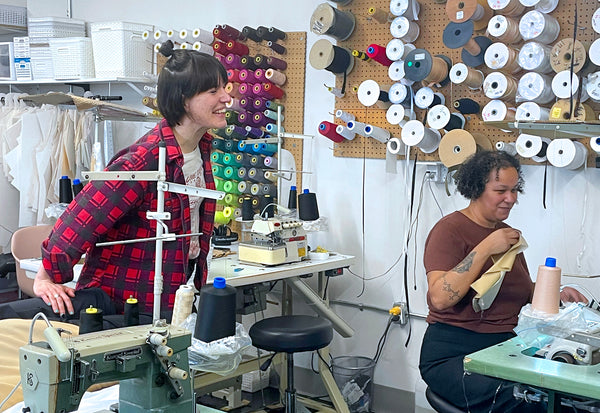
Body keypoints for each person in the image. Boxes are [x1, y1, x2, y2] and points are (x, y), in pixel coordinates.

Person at [0, 40, 230, 326]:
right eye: (214, 91)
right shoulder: (144, 161)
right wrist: (47, 275)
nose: (226, 98)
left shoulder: (201, 149)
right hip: (126, 302)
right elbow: (82, 216)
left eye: (225, 87)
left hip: (170, 294)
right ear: (184, 99)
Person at [419, 150, 586, 413]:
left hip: (503, 351)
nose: (511, 199)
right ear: (476, 188)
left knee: (572, 398)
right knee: (536, 403)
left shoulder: (505, 235)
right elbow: (440, 298)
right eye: (501, 190)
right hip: (453, 355)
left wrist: (557, 293)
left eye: (514, 190)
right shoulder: (449, 230)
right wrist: (485, 247)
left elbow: (517, 291)